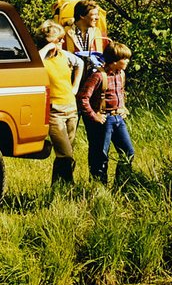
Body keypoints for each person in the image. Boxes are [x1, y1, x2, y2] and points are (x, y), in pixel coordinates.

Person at [78, 41, 135, 186]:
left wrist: (123, 107)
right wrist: (94, 115)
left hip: (118, 118)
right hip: (104, 120)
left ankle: (122, 184)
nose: (128, 62)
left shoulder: (121, 74)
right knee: (101, 156)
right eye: (125, 59)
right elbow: (83, 98)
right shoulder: (98, 76)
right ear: (114, 61)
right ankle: (99, 187)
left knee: (128, 152)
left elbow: (120, 92)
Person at [37, 20, 84, 186]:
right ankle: (70, 186)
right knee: (66, 154)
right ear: (49, 42)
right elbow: (34, 64)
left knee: (66, 152)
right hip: (54, 112)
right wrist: (47, 49)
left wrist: (75, 87)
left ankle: (58, 187)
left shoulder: (64, 56)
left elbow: (80, 63)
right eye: (59, 40)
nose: (63, 42)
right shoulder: (41, 59)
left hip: (71, 109)